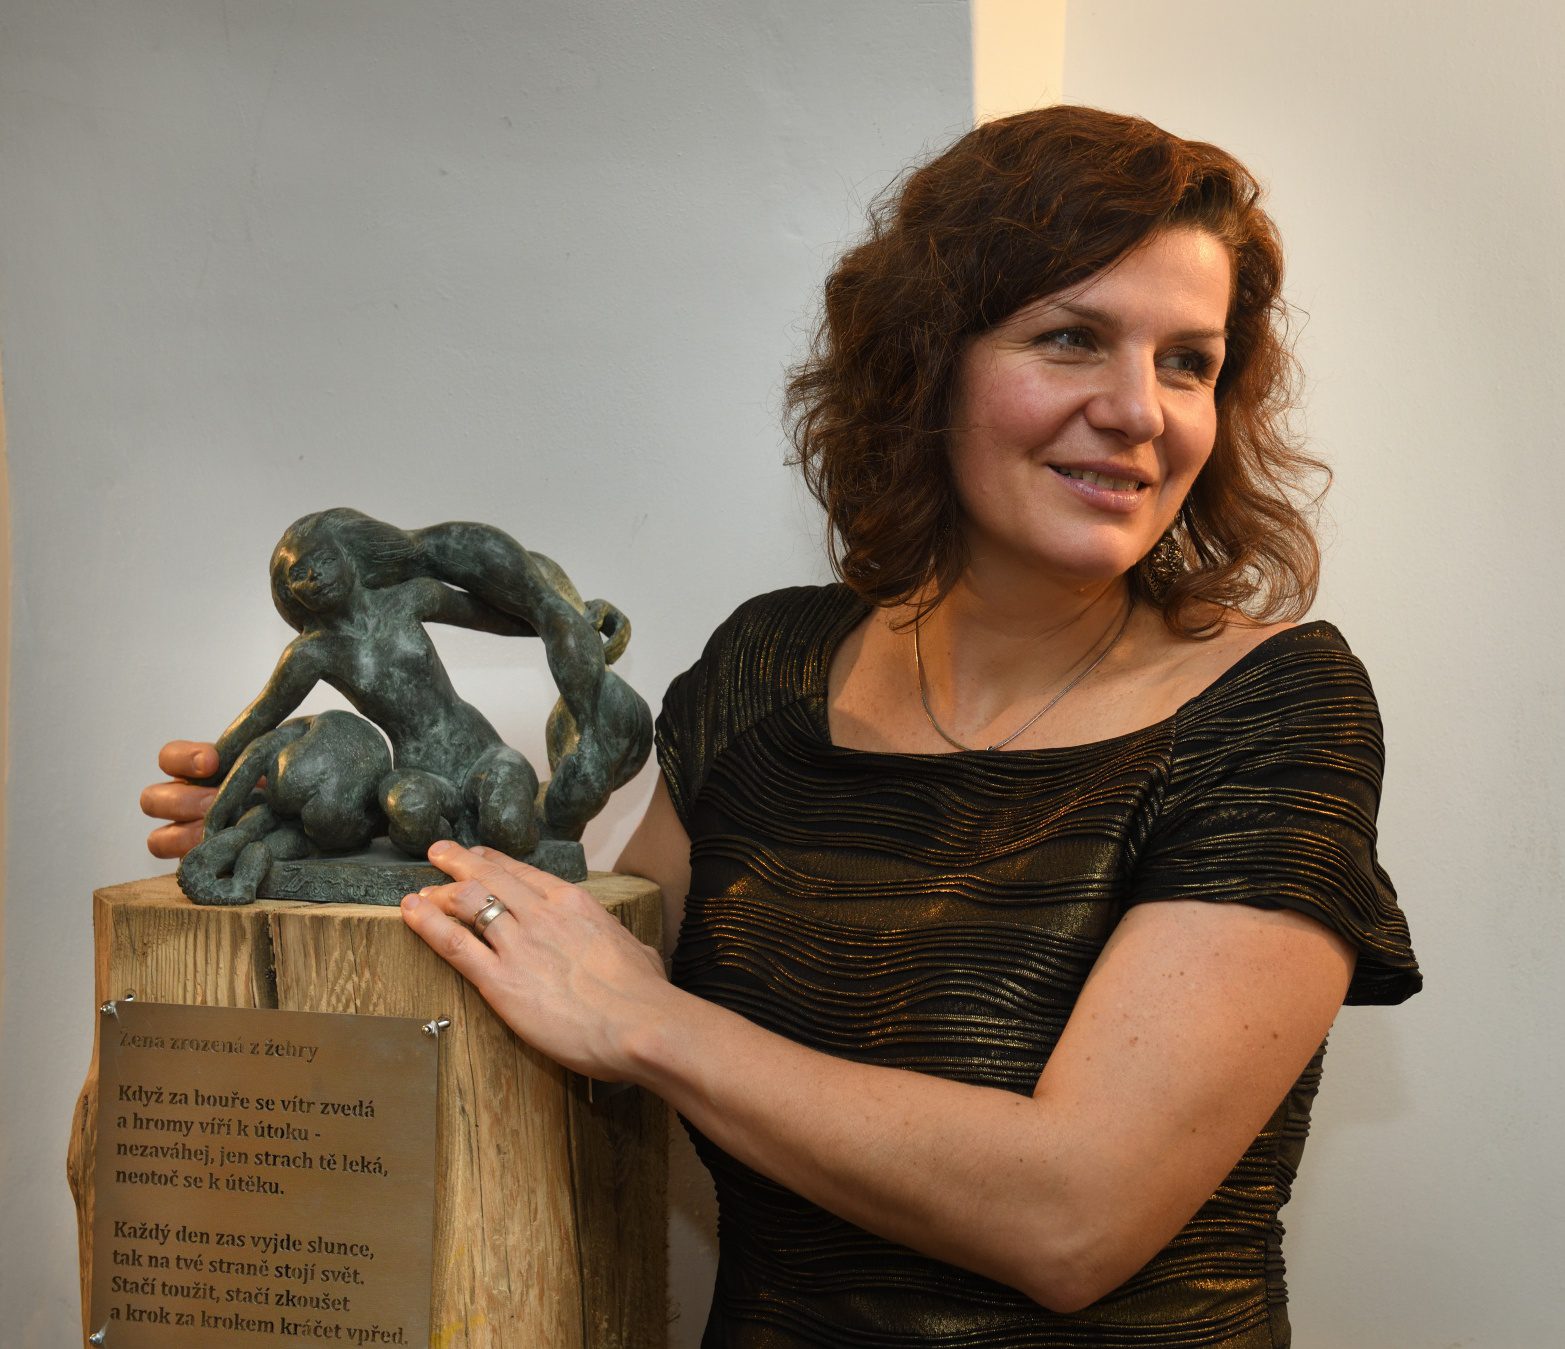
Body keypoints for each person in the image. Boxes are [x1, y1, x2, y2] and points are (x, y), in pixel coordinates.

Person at [143, 106, 1419, 1346]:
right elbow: (572, 973)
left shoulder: (1273, 709)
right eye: (1072, 338)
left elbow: (1074, 1217)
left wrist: (656, 1025)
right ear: (928, 363)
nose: (1140, 409)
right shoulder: (765, 670)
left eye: (1187, 360)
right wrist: (325, 843)